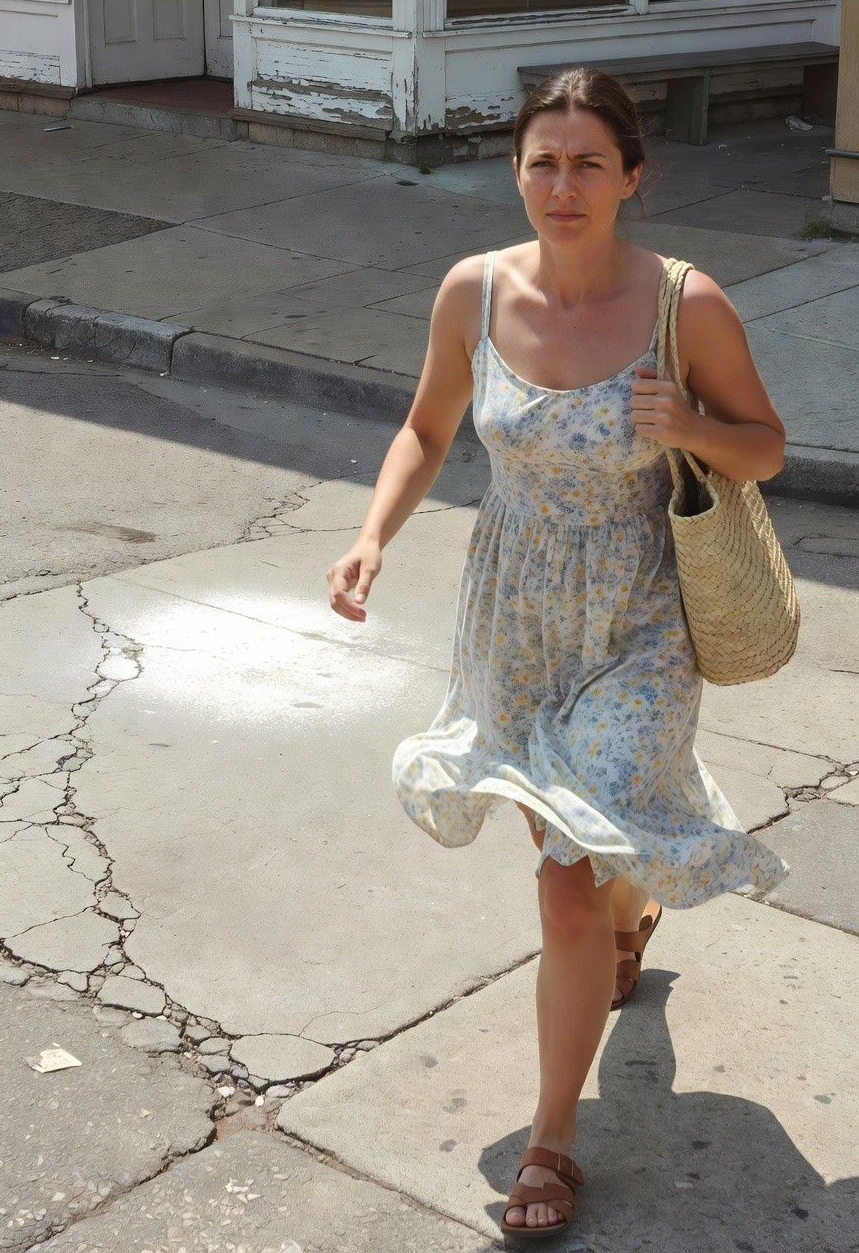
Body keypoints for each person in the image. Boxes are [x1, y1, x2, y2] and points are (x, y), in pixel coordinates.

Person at [326, 67, 789, 1240]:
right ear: (517, 172)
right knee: (583, 852)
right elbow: (427, 426)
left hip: (640, 620)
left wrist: (690, 424)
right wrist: (371, 537)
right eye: (544, 162)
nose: (564, 185)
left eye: (590, 163)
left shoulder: (686, 304)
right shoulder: (473, 292)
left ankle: (551, 1142)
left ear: (632, 176)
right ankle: (632, 924)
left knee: (565, 880)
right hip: (517, 616)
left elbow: (767, 447)